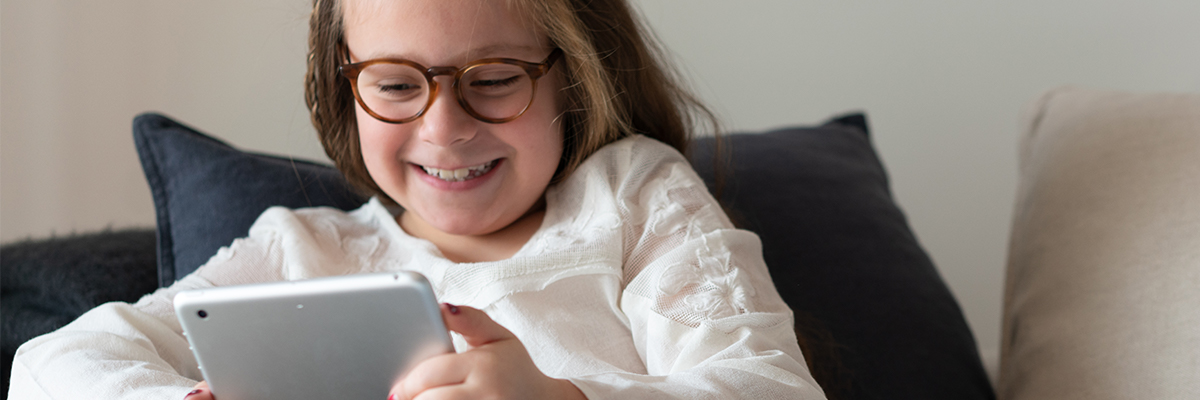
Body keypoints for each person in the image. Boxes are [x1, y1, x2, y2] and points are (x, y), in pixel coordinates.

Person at [9, 0, 827, 398]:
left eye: (494, 81)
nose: (444, 131)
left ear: (573, 79)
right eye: (396, 84)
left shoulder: (630, 197)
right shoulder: (301, 250)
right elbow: (46, 367)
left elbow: (771, 388)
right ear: (344, 90)